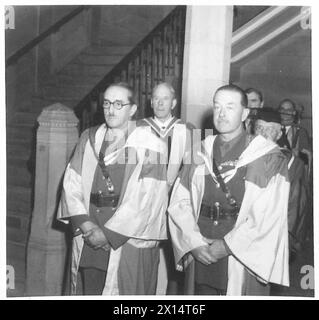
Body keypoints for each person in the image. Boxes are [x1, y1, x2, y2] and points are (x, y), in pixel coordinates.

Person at [168, 84, 290, 296]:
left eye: (230, 107)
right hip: (201, 250)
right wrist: (193, 243)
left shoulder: (267, 156)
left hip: (242, 255)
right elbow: (180, 201)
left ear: (244, 113)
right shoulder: (199, 151)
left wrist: (226, 246)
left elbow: (269, 215)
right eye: (217, 107)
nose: (221, 114)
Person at [57, 82, 169, 295]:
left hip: (124, 240)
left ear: (133, 109)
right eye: (107, 103)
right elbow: (71, 183)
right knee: (89, 288)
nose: (111, 110)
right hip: (88, 233)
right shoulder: (89, 138)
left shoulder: (151, 145)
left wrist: (108, 235)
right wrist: (86, 224)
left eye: (119, 104)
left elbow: (147, 199)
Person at [138, 82, 194, 295]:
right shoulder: (137, 127)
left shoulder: (189, 130)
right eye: (156, 98)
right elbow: (127, 168)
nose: (160, 103)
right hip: (144, 201)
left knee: (174, 257)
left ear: (174, 102)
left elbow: (194, 172)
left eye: (165, 98)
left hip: (174, 200)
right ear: (151, 101)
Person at [254, 107, 309, 259]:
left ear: (279, 135)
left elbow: (295, 208)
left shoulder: (291, 164)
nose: (264, 134)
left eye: (270, 129)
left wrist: (285, 245)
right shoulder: (243, 159)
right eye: (259, 128)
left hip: (272, 238)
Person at [277, 99, 312, 177]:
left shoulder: (300, 132)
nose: (285, 113)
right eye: (282, 109)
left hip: (293, 174)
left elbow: (305, 158)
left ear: (294, 112)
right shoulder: (273, 129)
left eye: (288, 110)